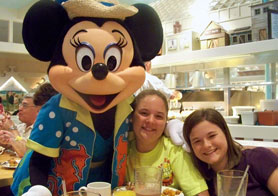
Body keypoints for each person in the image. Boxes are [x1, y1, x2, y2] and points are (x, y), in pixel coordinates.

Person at [127, 89, 209, 196]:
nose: (151, 121)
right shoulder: (122, 151)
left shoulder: (175, 151)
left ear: (166, 121)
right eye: (144, 113)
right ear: (132, 116)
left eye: (159, 116)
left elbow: (200, 193)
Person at [183, 108, 278, 196]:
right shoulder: (201, 180)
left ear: (225, 132)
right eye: (197, 141)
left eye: (212, 136)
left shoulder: (258, 159)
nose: (206, 145)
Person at [0, 83, 58, 158]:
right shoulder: (21, 127)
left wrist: (12, 128)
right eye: (20, 105)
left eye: (25, 105)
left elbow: (27, 153)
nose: (19, 109)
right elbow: (12, 147)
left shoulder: (45, 129)